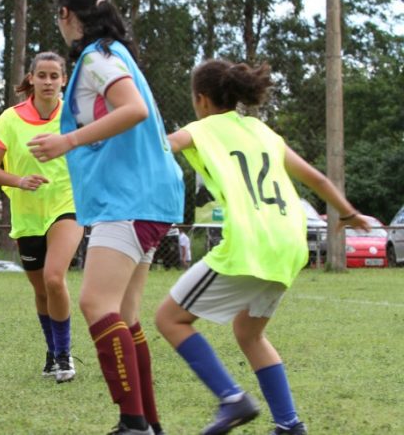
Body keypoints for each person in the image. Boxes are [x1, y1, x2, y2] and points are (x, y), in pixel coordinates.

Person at [154, 59, 372, 435]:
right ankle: (289, 424)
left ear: (201, 99)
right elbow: (317, 177)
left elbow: (159, 149)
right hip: (288, 242)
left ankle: (232, 398)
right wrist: (349, 212)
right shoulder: (262, 132)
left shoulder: (200, 129)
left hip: (250, 243)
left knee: (169, 319)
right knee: (249, 332)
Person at [28, 0, 184, 434]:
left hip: (131, 199)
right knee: (126, 315)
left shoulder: (98, 58)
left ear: (65, 15)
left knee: (95, 302)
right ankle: (149, 424)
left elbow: (133, 109)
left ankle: (131, 423)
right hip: (150, 198)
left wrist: (68, 141)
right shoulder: (113, 54)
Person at [0, 51, 84, 383]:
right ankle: (52, 352)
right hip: (27, 216)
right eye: (42, 75)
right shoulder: (9, 120)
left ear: (64, 80)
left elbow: (96, 153)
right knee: (41, 291)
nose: (48, 82)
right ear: (31, 78)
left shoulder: (75, 115)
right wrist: (19, 181)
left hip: (67, 207)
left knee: (55, 279)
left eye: (55, 76)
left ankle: (65, 355)